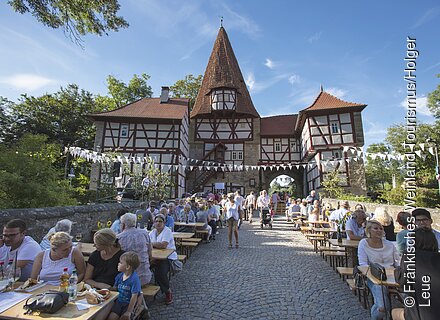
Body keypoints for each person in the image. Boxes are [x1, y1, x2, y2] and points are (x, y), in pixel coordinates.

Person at [392, 228, 440, 320]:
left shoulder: (409, 256)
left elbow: (403, 284)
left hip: (420, 314)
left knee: (394, 312)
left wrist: (397, 271)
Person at [357, 220, 400, 320]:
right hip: (374, 277)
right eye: (375, 228)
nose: (379, 230)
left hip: (392, 275)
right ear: (369, 231)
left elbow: (397, 262)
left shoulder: (389, 244)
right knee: (383, 307)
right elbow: (363, 264)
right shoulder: (363, 243)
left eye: (381, 228)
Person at [149, 214, 178, 305]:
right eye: (156, 221)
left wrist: (152, 244)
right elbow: (147, 243)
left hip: (167, 257)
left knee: (160, 272)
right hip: (154, 256)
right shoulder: (152, 232)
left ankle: (167, 292)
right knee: (142, 267)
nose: (158, 223)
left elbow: (163, 245)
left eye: (160, 221)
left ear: (164, 223)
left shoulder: (167, 231)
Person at [117, 213, 152, 286]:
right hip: (145, 276)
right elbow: (150, 255)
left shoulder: (119, 238)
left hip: (128, 278)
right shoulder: (144, 234)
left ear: (123, 225)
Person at [108, 252, 142, 320]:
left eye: (120, 263)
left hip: (129, 304)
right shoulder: (119, 276)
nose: (118, 264)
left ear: (127, 267)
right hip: (119, 302)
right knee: (111, 317)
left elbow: (134, 297)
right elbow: (115, 289)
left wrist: (129, 311)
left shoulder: (134, 279)